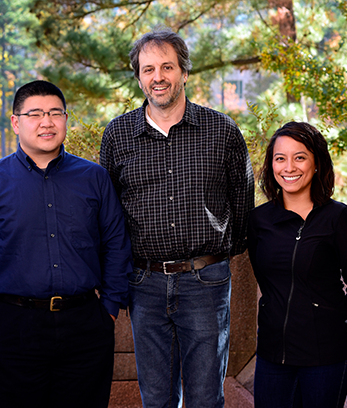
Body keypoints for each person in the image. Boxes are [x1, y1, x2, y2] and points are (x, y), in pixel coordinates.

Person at [100, 28, 255, 407]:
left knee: (205, 397)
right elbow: (107, 214)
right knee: (156, 398)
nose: (158, 77)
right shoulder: (118, 135)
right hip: (144, 283)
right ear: (138, 76)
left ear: (184, 72)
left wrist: (211, 262)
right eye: (148, 69)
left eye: (167, 67)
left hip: (206, 282)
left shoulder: (222, 132)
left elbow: (243, 207)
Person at [0, 80, 132, 408]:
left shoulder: (93, 178)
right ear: (16, 122)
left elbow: (115, 240)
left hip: (85, 324)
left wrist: (109, 308)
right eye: (36, 114)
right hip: (12, 327)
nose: (47, 122)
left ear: (66, 119)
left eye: (56, 113)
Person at [247, 121, 347, 408]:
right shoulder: (259, 220)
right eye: (280, 158)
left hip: (327, 356)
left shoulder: (339, 218)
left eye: (299, 157)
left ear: (316, 164)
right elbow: (266, 280)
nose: (289, 167)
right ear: (271, 166)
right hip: (272, 354)